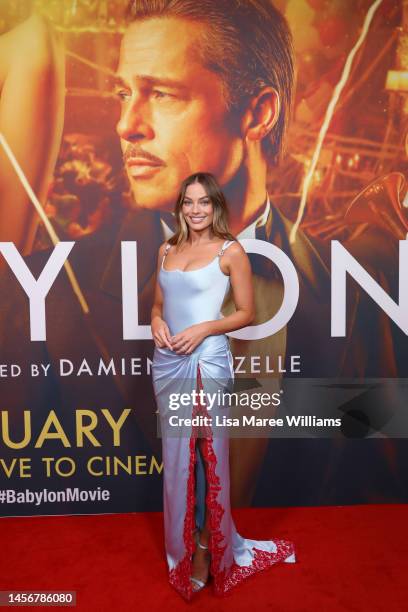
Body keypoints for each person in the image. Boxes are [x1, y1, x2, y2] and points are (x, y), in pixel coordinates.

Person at [150, 172, 295, 600]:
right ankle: (182, 549)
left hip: (207, 357)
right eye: (188, 202)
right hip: (167, 361)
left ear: (216, 206)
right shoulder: (166, 250)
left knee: (209, 454)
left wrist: (205, 329)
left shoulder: (231, 251)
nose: (195, 210)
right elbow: (159, 304)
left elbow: (247, 312)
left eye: (204, 203)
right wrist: (157, 321)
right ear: (180, 207)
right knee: (177, 457)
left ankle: (209, 548)